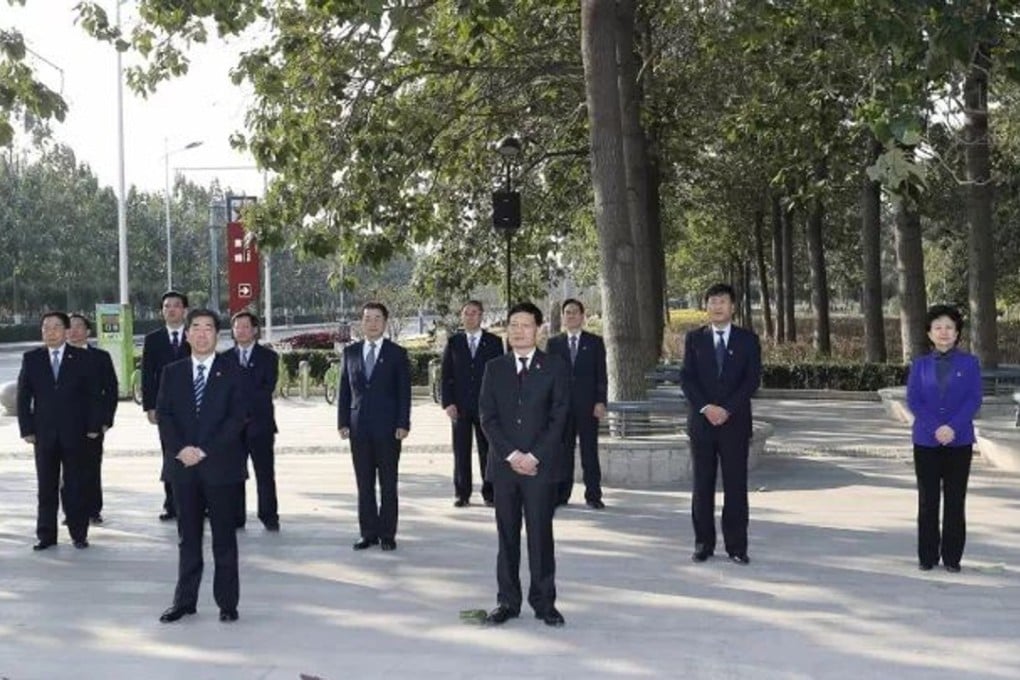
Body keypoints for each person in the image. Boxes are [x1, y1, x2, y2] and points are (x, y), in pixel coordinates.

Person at [479, 302, 570, 627]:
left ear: (539, 329)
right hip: (504, 469)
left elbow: (559, 416)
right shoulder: (495, 367)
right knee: (507, 538)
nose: (518, 330)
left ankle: (545, 603)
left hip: (540, 469)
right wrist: (511, 455)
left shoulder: (555, 366)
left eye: (525, 325)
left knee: (540, 537)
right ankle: (507, 602)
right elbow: (487, 417)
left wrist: (534, 456)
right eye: (512, 324)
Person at [156, 309, 247, 624]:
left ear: (217, 335)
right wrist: (181, 449)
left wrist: (204, 450)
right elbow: (164, 416)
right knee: (187, 537)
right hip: (183, 467)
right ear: (186, 334)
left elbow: (237, 420)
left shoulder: (233, 371)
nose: (201, 333)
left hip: (220, 467)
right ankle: (184, 601)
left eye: (209, 328)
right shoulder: (173, 372)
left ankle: (227, 603)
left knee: (224, 537)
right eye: (195, 327)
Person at [680, 283, 761, 565]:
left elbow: (752, 380)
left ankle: (737, 547)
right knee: (702, 486)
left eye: (723, 301)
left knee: (736, 486)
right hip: (702, 424)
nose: (717, 306)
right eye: (712, 301)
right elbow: (686, 378)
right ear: (706, 306)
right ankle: (703, 544)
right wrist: (707, 408)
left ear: (733, 306)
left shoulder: (748, 340)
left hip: (735, 423)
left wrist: (727, 409)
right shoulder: (693, 339)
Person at [17, 312, 103, 550]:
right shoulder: (32, 358)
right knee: (46, 485)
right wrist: (27, 429)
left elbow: (94, 395)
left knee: (75, 485)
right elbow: (24, 397)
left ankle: (79, 534)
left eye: (56, 327)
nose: (50, 332)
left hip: (77, 433)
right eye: (46, 328)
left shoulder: (83, 358)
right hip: (43, 434)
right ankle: (46, 535)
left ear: (66, 332)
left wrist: (94, 426)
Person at [906, 304, 982, 573]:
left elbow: (974, 399)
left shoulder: (970, 363)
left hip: (959, 441)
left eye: (949, 327)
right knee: (927, 501)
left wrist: (953, 427)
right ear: (929, 333)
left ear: (957, 332)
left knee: (954, 499)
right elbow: (913, 400)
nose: (944, 332)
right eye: (938, 327)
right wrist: (935, 427)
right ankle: (927, 556)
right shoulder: (920, 365)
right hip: (926, 441)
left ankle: (952, 558)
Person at [337, 302, 411, 551]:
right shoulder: (351, 353)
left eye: (377, 318)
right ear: (361, 322)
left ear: (385, 322)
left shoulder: (397, 353)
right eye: (367, 318)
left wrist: (403, 423)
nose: (372, 323)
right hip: (359, 429)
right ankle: (367, 533)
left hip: (389, 429)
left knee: (388, 484)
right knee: (364, 483)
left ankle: (388, 534)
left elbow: (404, 393)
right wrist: (342, 422)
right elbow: (344, 390)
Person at [440, 300, 504, 507]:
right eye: (466, 313)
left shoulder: (494, 342)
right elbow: (446, 375)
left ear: (481, 316)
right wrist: (448, 403)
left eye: (474, 313)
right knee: (461, 451)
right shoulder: (454, 342)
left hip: (486, 407)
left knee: (488, 451)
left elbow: (499, 377)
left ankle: (490, 492)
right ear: (462, 316)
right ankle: (462, 493)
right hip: (459, 407)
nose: (470, 317)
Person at [546, 298, 608, 509]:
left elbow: (601, 375)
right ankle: (561, 494)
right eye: (567, 312)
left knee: (589, 452)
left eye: (574, 312)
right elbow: (548, 378)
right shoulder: (554, 344)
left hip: (588, 406)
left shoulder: (595, 342)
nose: (570, 316)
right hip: (562, 408)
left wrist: (601, 401)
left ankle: (593, 495)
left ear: (582, 316)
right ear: (563, 317)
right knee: (563, 452)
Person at [142, 291, 192, 521]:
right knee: (170, 454)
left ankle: (197, 504)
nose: (171, 310)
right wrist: (149, 406)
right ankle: (171, 503)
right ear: (161, 311)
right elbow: (147, 375)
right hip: (165, 408)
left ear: (185, 310)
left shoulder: (196, 335)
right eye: (166, 306)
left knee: (196, 452)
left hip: (194, 405)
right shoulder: (153, 339)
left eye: (176, 306)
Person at [66, 313, 118, 524]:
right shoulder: (58, 357)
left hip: (93, 423)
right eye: (69, 327)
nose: (74, 330)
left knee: (91, 467)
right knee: (67, 472)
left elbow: (111, 391)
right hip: (64, 424)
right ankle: (71, 512)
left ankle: (93, 509)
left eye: (79, 326)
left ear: (88, 331)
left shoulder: (100, 357)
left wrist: (105, 420)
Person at [231, 311, 280, 531]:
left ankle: (269, 515)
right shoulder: (223, 359)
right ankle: (236, 516)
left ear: (254, 330)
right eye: (237, 327)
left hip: (260, 426)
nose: (240, 331)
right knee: (234, 473)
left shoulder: (268, 357)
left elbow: (264, 389)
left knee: (265, 473)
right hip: (232, 429)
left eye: (245, 326)